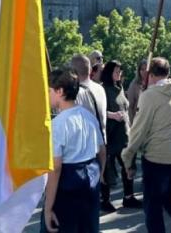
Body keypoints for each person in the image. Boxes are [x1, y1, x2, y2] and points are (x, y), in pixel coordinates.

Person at [122, 57, 171, 233]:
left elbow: (138, 131)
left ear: (150, 75)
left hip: (157, 158)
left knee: (153, 208)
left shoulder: (149, 96)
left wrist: (128, 158)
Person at [44, 68, 106, 233]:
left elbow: (56, 168)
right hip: (91, 181)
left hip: (68, 186)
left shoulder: (57, 125)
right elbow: (102, 151)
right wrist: (99, 175)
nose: (47, 95)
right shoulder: (89, 116)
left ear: (60, 91)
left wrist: (48, 208)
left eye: (49, 91)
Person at [100, 60, 141, 212]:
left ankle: (128, 197)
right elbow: (97, 111)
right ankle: (104, 200)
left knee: (128, 166)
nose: (119, 74)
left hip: (124, 134)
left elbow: (125, 108)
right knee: (107, 169)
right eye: (116, 71)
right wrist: (112, 115)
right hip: (110, 135)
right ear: (109, 72)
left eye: (120, 71)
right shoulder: (103, 89)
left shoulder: (120, 87)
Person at [72, 54, 107, 140]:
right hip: (101, 141)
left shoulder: (76, 92)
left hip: (85, 144)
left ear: (72, 72)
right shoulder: (100, 88)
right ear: (90, 70)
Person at [126, 59, 147, 124]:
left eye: (146, 69)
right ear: (139, 71)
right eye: (142, 69)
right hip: (138, 119)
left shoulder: (154, 83)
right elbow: (130, 106)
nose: (144, 71)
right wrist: (132, 123)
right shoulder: (134, 84)